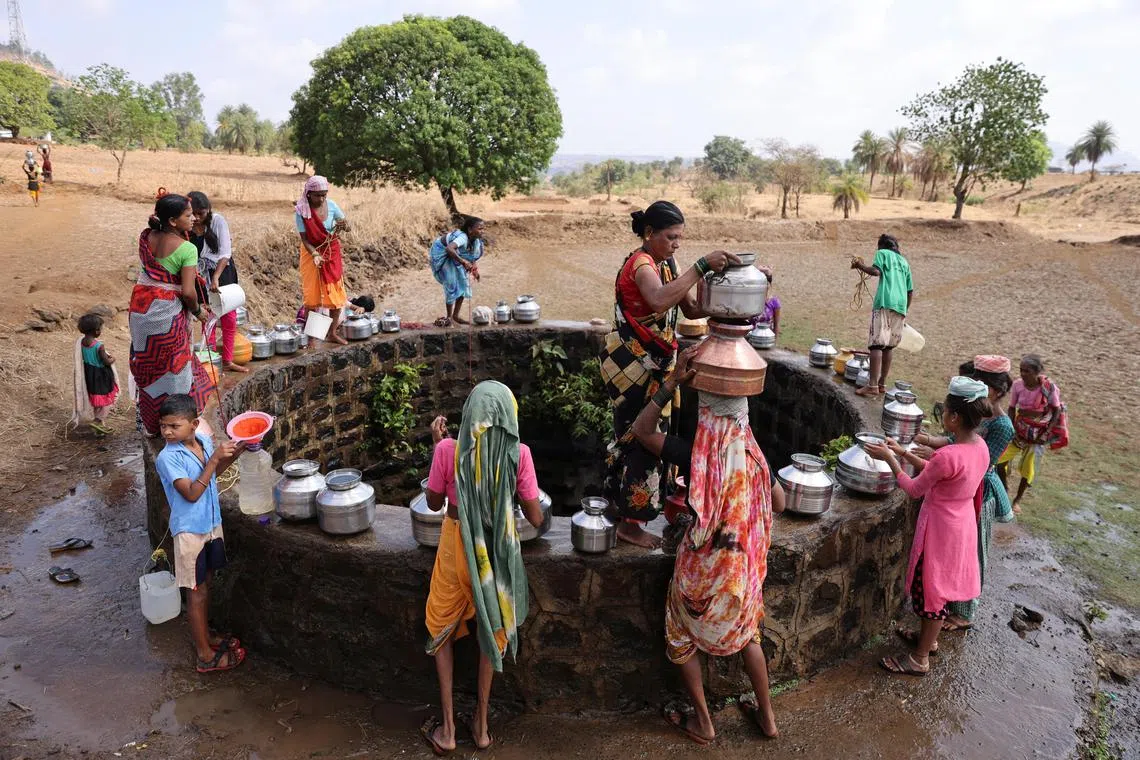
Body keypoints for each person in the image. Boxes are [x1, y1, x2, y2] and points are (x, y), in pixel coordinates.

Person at [629, 346, 785, 743]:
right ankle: (766, 717)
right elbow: (779, 504)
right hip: (742, 579)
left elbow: (642, 430)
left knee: (679, 630)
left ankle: (703, 720)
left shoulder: (698, 455)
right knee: (749, 632)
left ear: (707, 412)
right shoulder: (753, 454)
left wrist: (671, 383)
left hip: (701, 585)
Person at [599, 200, 754, 548]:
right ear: (649, 233)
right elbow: (657, 300)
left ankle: (624, 510)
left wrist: (727, 285)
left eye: (680, 238)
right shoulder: (642, 264)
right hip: (633, 363)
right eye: (671, 237)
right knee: (640, 437)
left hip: (658, 362)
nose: (676, 244)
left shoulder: (667, 263)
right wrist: (700, 267)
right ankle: (630, 523)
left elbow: (692, 308)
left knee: (649, 436)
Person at [420, 381, 544, 755]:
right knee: (493, 625)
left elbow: (432, 502)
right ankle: (483, 725)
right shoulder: (519, 454)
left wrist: (438, 447)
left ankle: (448, 727)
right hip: (495, 552)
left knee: (439, 624)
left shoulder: (448, 449)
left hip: (457, 546)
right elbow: (536, 518)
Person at [864, 377, 992, 676]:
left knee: (931, 590)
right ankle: (928, 639)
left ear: (954, 417)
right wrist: (903, 452)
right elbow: (941, 474)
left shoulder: (948, 455)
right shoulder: (979, 446)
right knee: (942, 587)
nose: (943, 415)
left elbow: (914, 489)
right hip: (961, 526)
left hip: (940, 530)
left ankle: (919, 658)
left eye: (945, 411)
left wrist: (890, 459)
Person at [905, 356, 1014, 631]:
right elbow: (955, 441)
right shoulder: (973, 428)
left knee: (971, 555)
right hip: (960, 485)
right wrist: (930, 443)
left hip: (979, 492)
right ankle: (945, 608)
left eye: (983, 384)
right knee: (952, 559)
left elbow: (979, 464)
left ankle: (964, 613)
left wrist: (938, 458)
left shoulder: (1002, 427)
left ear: (997, 391)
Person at [153, 394, 247, 673]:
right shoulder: (167, 458)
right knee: (195, 592)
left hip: (210, 524)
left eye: (174, 426)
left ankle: (205, 637)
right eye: (163, 426)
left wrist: (239, 450)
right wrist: (214, 459)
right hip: (190, 532)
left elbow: (215, 473)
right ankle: (205, 656)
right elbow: (192, 493)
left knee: (205, 584)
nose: (167, 432)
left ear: (194, 424)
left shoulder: (204, 443)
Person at [129, 191, 215, 436]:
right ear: (173, 221)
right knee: (175, 369)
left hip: (142, 311)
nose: (194, 220)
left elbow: (153, 275)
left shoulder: (147, 237)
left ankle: (153, 422)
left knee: (149, 366)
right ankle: (178, 424)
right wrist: (198, 311)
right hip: (167, 315)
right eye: (188, 216)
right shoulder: (187, 249)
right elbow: (188, 292)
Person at [997, 354, 1066, 513]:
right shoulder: (1017, 385)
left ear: (1037, 372)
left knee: (1028, 470)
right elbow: (1012, 408)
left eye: (1026, 371)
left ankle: (1017, 500)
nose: (1022, 374)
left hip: (1037, 435)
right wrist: (1011, 427)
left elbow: (1056, 410)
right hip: (1019, 430)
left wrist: (1046, 433)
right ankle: (1004, 491)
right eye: (1021, 370)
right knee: (999, 461)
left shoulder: (1049, 388)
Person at [188, 192, 247, 375]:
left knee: (229, 319)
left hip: (223, 272)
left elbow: (225, 253)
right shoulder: (186, 227)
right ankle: (211, 365)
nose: (197, 218)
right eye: (193, 214)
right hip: (201, 276)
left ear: (208, 211)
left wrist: (216, 278)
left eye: (201, 214)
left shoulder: (218, 221)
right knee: (209, 319)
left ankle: (228, 361)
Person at [850, 234, 913, 397]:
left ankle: (871, 386)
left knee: (877, 344)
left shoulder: (882, 254)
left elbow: (875, 271)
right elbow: (910, 290)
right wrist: (904, 310)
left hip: (885, 302)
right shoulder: (904, 262)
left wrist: (860, 265)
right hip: (900, 306)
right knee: (889, 346)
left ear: (881, 246)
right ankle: (882, 384)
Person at [295, 176, 350, 344]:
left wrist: (344, 225)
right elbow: (305, 239)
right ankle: (313, 337)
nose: (321, 199)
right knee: (312, 298)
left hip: (331, 251)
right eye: (318, 195)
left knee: (335, 295)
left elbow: (345, 223)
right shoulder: (302, 211)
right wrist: (315, 254)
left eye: (324, 195)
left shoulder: (332, 205)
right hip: (311, 254)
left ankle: (332, 333)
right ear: (309, 194)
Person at [429, 216, 485, 327]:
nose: (482, 231)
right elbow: (449, 248)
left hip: (454, 254)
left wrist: (475, 270)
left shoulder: (476, 241)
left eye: (483, 229)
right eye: (479, 229)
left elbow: (471, 256)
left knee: (463, 282)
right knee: (451, 283)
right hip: (442, 253)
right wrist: (463, 262)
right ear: (470, 230)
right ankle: (449, 318)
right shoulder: (463, 237)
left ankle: (456, 316)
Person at [73, 313, 120, 436]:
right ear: (96, 331)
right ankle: (98, 421)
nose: (101, 331)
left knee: (97, 400)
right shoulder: (99, 346)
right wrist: (113, 359)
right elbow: (106, 361)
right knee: (107, 400)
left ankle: (98, 429)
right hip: (101, 376)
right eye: (100, 328)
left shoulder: (82, 342)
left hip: (90, 375)